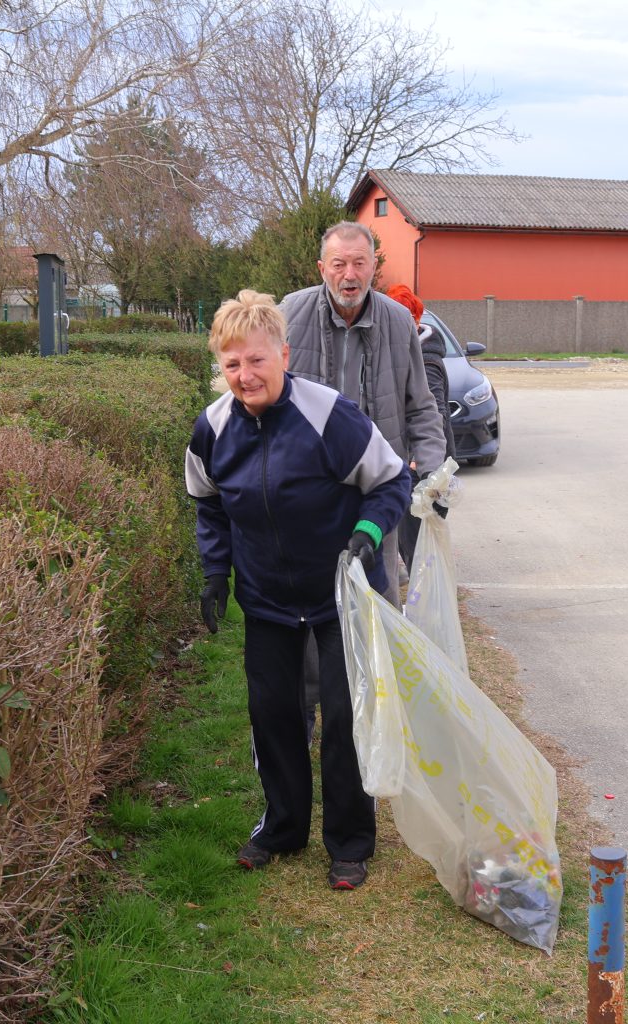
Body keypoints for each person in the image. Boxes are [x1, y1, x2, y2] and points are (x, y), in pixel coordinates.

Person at [185, 289, 410, 891]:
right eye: (231, 364)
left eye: (256, 361)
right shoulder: (212, 429)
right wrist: (215, 573)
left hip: (340, 592)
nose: (245, 375)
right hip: (265, 599)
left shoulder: (329, 415)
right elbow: (208, 505)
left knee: (341, 716)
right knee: (274, 715)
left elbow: (391, 482)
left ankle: (350, 842)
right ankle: (282, 828)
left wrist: (365, 535)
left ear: (283, 354)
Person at [279, 222, 446, 605]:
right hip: (307, 488)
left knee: (376, 600)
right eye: (338, 264)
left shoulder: (399, 321)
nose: (349, 275)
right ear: (322, 269)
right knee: (311, 605)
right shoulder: (289, 313)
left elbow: (421, 406)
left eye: (359, 263)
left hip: (376, 490)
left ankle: (372, 667)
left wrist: (433, 473)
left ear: (374, 267)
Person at [385, 283, 455, 571]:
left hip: (424, 465)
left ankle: (424, 603)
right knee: (414, 539)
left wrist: (420, 457)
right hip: (417, 461)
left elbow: (433, 411)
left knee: (418, 543)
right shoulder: (404, 351)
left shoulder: (425, 360)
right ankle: (422, 594)